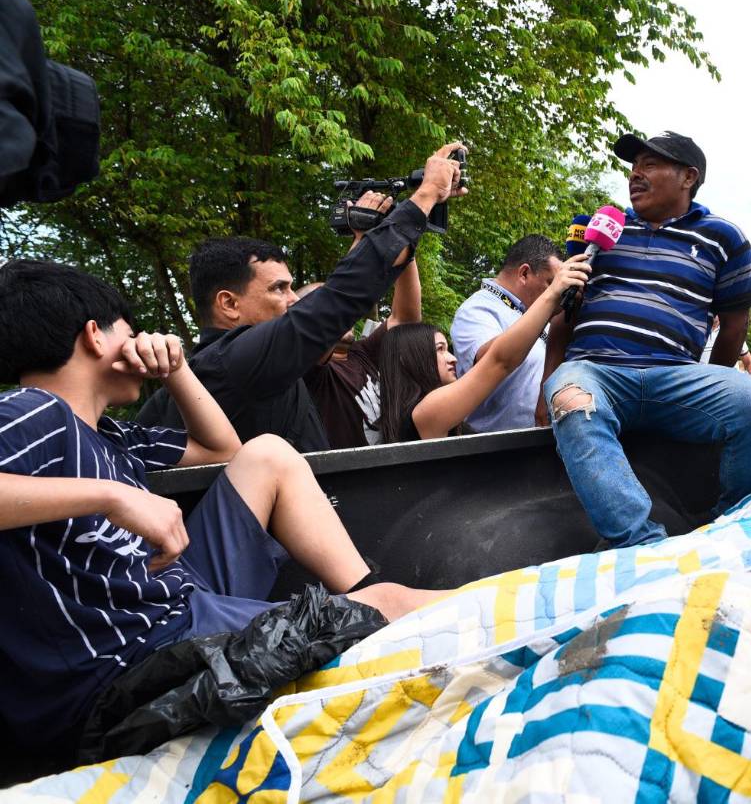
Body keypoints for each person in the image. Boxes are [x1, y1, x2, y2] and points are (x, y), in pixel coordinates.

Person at [0, 260, 444, 759]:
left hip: (175, 603)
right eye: (130, 331)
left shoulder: (112, 436)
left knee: (267, 454)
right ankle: (387, 609)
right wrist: (113, 496)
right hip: (133, 665)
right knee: (395, 605)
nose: (142, 341)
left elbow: (223, 450)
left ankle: (359, 601)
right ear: (94, 336)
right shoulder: (36, 411)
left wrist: (177, 370)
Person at [136, 142, 467, 451]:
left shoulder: (247, 370)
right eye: (278, 289)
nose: (294, 300)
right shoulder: (234, 362)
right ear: (229, 304)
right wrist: (425, 195)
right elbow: (338, 300)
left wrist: (387, 231)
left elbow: (349, 303)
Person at [541, 131, 751, 548]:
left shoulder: (724, 238)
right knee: (571, 399)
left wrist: (709, 385)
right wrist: (545, 387)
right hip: (595, 371)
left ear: (688, 177)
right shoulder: (599, 230)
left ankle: (732, 527)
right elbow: (564, 315)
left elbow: (735, 327)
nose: (635, 174)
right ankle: (643, 544)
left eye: (650, 165)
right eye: (634, 167)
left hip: (675, 375)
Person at [377, 255, 591, 442]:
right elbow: (499, 362)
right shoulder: (426, 414)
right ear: (409, 359)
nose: (453, 358)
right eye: (440, 349)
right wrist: (551, 294)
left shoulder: (435, 418)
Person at [295, 250, 422, 447]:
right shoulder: (308, 373)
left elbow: (405, 320)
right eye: (330, 304)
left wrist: (406, 249)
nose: (343, 309)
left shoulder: (361, 353)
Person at [449, 235, 563, 432]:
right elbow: (491, 361)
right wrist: (549, 302)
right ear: (524, 273)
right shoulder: (477, 309)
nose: (556, 292)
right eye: (550, 283)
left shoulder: (532, 310)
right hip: (495, 445)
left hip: (540, 440)